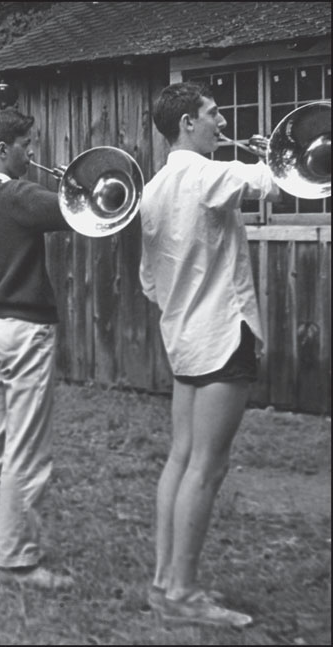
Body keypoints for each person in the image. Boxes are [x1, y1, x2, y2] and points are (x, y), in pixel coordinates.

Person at [140, 81, 281, 628]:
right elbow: (274, 181)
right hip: (223, 336)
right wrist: (277, 154)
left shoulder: (151, 189)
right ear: (185, 124)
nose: (222, 122)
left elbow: (150, 282)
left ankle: (164, 582)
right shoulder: (205, 174)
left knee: (181, 457)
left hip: (183, 341)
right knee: (208, 465)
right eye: (213, 113)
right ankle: (184, 592)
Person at [0, 107, 75, 591]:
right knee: (26, 450)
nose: (32, 154)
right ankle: (20, 563)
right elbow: (79, 211)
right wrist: (77, 183)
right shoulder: (16, 193)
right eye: (27, 144)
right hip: (26, 330)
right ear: (3, 150)